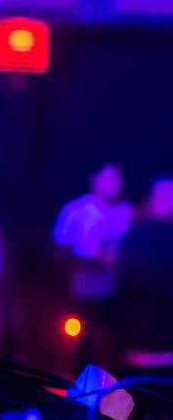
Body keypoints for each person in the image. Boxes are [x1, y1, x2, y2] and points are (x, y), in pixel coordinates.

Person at [52, 162, 132, 372]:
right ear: (94, 179)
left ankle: (118, 394)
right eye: (107, 179)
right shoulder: (75, 210)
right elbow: (58, 250)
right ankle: (79, 392)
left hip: (117, 292)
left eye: (117, 180)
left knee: (117, 346)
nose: (113, 185)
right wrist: (90, 262)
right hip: (84, 291)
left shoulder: (127, 213)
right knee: (84, 345)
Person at [115, 176, 173, 414]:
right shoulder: (137, 236)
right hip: (155, 347)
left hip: (137, 346)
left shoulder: (133, 236)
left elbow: (121, 286)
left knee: (133, 408)